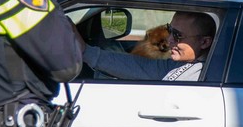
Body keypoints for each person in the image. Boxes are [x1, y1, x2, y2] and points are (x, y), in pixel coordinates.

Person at [82, 11, 215, 81]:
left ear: (204, 42)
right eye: (170, 31)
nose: (169, 41)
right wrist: (85, 51)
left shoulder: (208, 74)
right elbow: (138, 66)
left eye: (178, 36)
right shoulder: (180, 64)